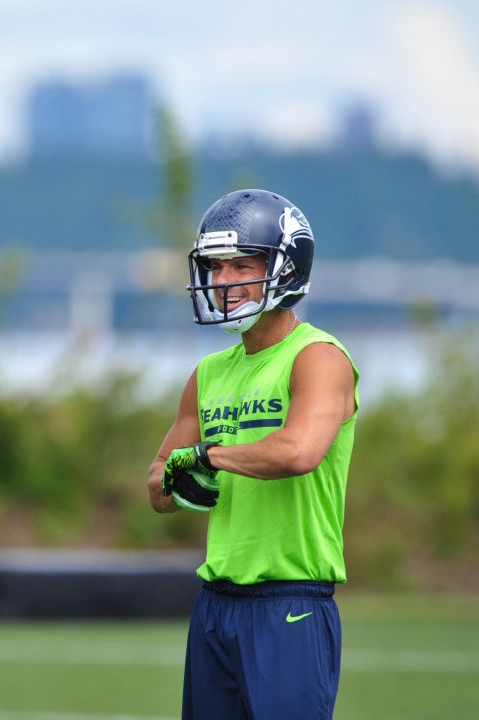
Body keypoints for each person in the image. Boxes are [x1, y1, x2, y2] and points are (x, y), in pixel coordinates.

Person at [147, 189, 359, 719]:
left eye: (242, 265)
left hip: (291, 601)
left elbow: (299, 451)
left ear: (286, 269)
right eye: (216, 268)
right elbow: (157, 486)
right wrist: (178, 478)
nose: (223, 281)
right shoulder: (208, 373)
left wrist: (209, 457)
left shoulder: (318, 357)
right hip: (214, 603)